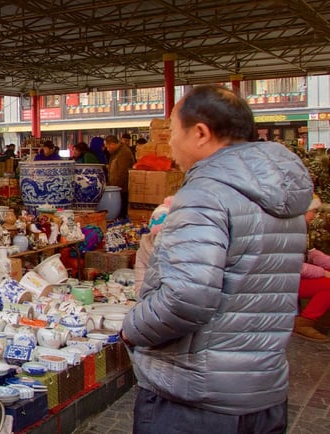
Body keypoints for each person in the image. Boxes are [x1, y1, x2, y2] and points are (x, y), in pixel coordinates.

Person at [121, 84, 312, 433]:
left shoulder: (205, 194)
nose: (172, 144)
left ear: (200, 133)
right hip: (263, 391)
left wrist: (132, 328)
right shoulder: (286, 198)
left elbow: (186, 298)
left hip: (196, 401)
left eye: (173, 131)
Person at [295, 194, 330, 341]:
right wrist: (323, 272)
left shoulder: (302, 230)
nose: (315, 215)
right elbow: (294, 265)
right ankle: (304, 322)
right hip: (284, 280)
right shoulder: (291, 233)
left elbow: (313, 255)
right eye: (313, 211)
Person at [103, 134, 135, 218]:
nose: (107, 149)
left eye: (107, 146)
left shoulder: (124, 153)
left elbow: (123, 173)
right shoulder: (116, 153)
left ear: (112, 144)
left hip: (122, 189)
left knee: (121, 213)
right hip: (117, 188)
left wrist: (115, 187)